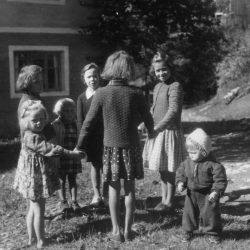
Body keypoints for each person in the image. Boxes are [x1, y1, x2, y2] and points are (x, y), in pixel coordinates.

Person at [76, 50, 155, 242]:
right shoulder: (136, 93)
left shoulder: (102, 93)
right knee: (129, 190)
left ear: (109, 68)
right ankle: (128, 230)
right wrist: (151, 133)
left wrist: (79, 145)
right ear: (129, 69)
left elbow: (88, 123)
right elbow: (149, 121)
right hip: (131, 148)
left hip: (110, 148)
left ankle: (115, 230)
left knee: (113, 189)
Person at [13, 100, 83, 249]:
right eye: (34, 120)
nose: (38, 123)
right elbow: (50, 148)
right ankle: (41, 241)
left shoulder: (31, 133)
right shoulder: (32, 137)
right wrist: (71, 153)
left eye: (41, 119)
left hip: (30, 178)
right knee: (39, 209)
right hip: (34, 179)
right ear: (25, 121)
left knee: (32, 208)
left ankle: (32, 238)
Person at [143, 51, 185, 212]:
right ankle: (163, 199)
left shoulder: (175, 86)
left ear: (170, 68)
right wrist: (145, 124)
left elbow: (173, 111)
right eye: (157, 70)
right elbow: (154, 110)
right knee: (162, 169)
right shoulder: (157, 86)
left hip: (169, 132)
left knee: (169, 168)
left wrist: (158, 127)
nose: (161, 73)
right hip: (157, 132)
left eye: (164, 69)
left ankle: (170, 201)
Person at [176, 128, 227, 244]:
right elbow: (181, 172)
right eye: (189, 152)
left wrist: (216, 191)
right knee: (188, 213)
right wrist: (180, 182)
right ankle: (187, 231)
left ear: (204, 151)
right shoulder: (186, 163)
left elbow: (220, 179)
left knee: (211, 214)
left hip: (208, 194)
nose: (191, 155)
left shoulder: (214, 165)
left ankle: (213, 233)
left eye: (194, 152)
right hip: (191, 193)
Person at [77, 63, 108, 207]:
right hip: (91, 137)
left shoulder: (105, 93)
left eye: (95, 76)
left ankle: (107, 194)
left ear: (99, 77)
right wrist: (82, 141)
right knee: (95, 166)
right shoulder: (82, 98)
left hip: (106, 136)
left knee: (107, 166)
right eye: (89, 77)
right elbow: (81, 121)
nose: (92, 79)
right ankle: (97, 194)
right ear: (84, 78)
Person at [52, 98, 83, 212]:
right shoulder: (56, 124)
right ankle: (63, 201)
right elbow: (53, 141)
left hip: (73, 156)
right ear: (60, 112)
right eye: (66, 111)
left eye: (72, 110)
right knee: (61, 179)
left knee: (72, 179)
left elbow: (80, 138)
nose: (70, 113)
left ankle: (74, 201)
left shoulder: (75, 124)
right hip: (61, 156)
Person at [16, 65, 54, 140]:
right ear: (27, 84)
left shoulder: (37, 97)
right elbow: (25, 130)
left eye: (41, 81)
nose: (41, 84)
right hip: (36, 144)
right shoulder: (28, 103)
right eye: (36, 82)